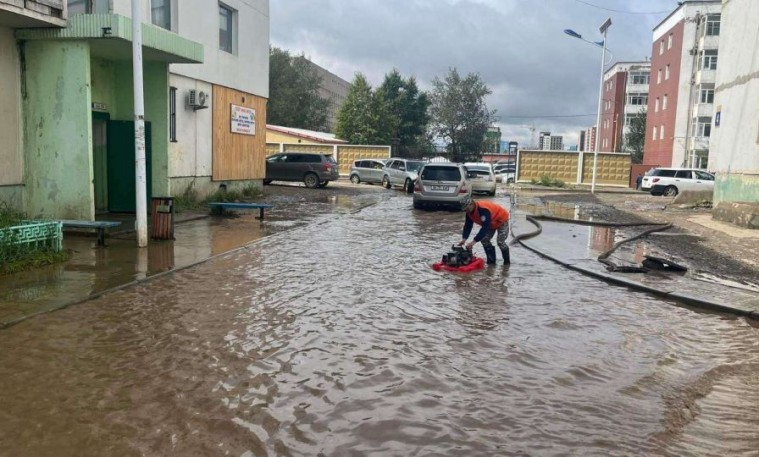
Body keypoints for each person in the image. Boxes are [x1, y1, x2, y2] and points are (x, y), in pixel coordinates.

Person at [458, 196, 510, 265]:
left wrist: (473, 242)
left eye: (467, 208)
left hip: (501, 220)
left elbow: (485, 228)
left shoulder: (483, 210)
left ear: (472, 204)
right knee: (484, 240)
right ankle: (491, 263)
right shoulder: (469, 213)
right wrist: (464, 239)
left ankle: (507, 263)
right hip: (490, 223)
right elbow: (468, 226)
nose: (466, 210)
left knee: (500, 242)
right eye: (464, 209)